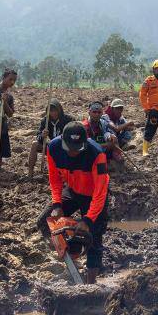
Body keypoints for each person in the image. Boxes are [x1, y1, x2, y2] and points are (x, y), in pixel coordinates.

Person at [36, 121, 109, 284]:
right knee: (45, 221)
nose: (74, 153)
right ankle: (71, 259)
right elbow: (54, 179)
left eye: (78, 149)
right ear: (63, 142)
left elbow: (101, 191)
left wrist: (87, 220)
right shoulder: (53, 148)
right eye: (70, 148)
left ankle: (91, 284)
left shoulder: (97, 154)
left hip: (94, 195)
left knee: (94, 237)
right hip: (73, 190)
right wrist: (57, 204)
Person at [27, 99, 73, 179]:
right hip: (52, 147)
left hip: (65, 147)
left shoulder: (68, 120)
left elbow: (74, 135)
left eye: (56, 110)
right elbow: (39, 138)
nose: (54, 113)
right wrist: (42, 135)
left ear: (60, 110)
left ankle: (67, 174)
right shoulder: (45, 121)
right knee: (35, 144)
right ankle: (30, 174)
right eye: (51, 111)